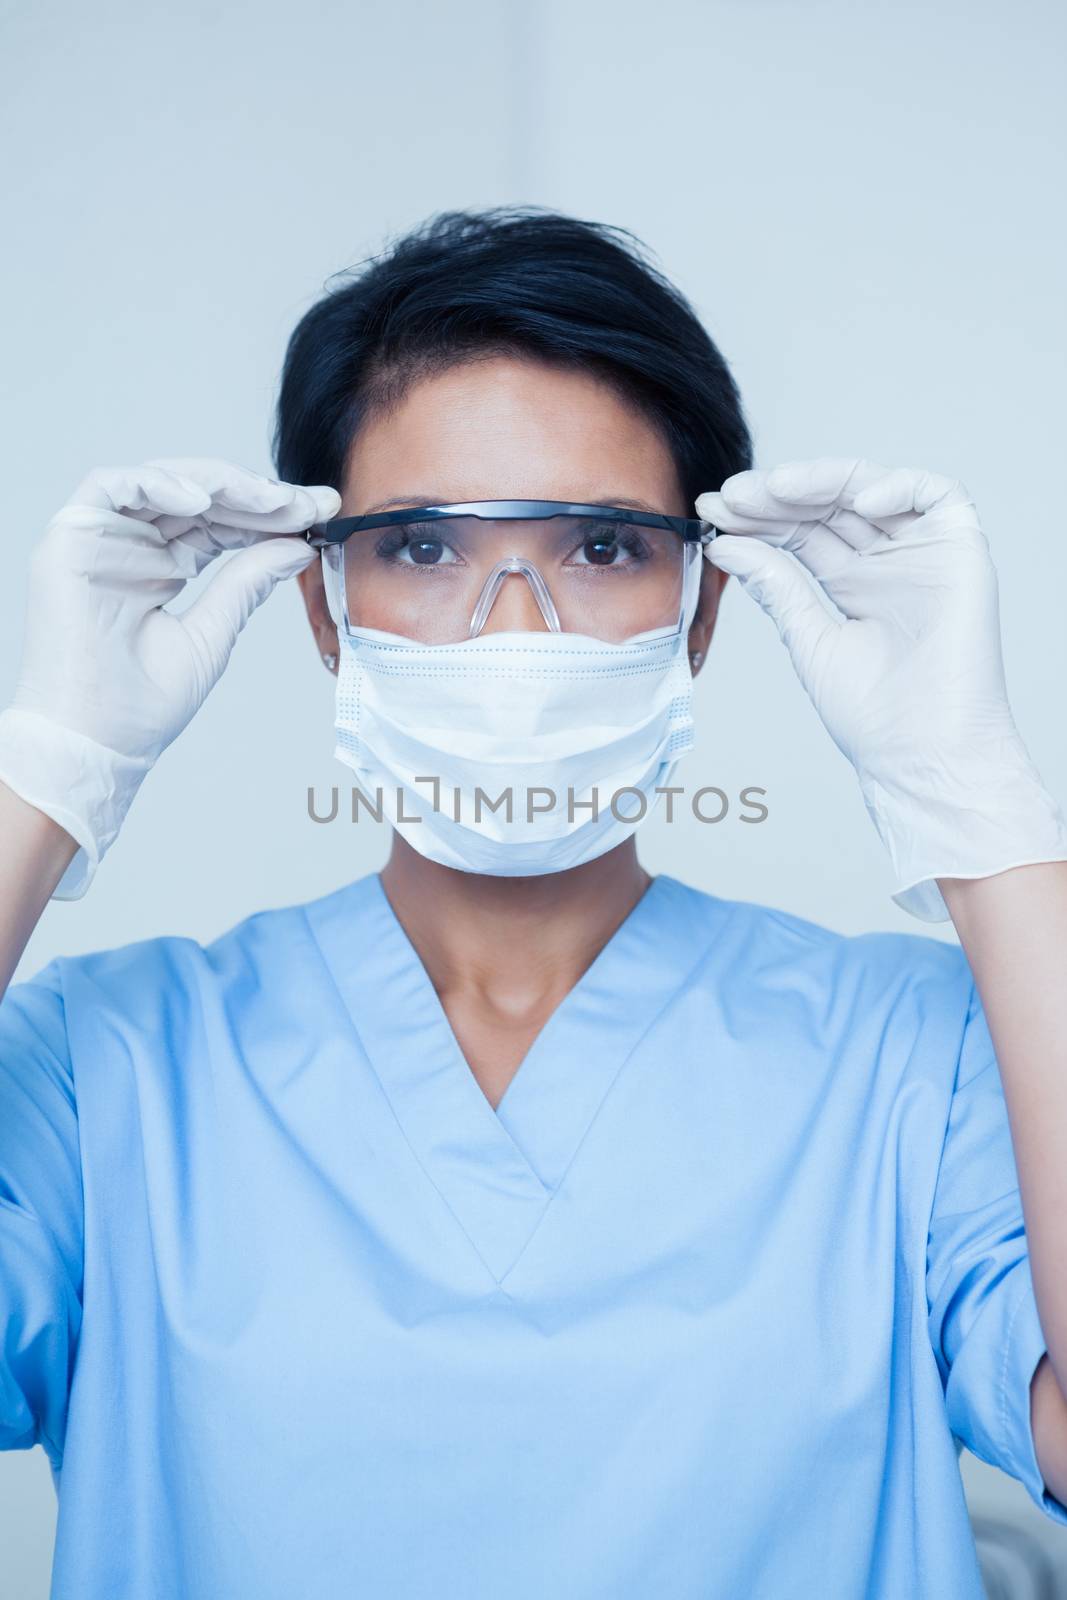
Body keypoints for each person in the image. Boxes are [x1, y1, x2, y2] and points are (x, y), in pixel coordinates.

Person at [0, 207, 1065, 1600]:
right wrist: (47, 770)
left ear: (704, 606)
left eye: (604, 548)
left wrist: (981, 809)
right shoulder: (106, 1066)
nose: (514, 626)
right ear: (324, 608)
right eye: (428, 547)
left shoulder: (916, 1054)